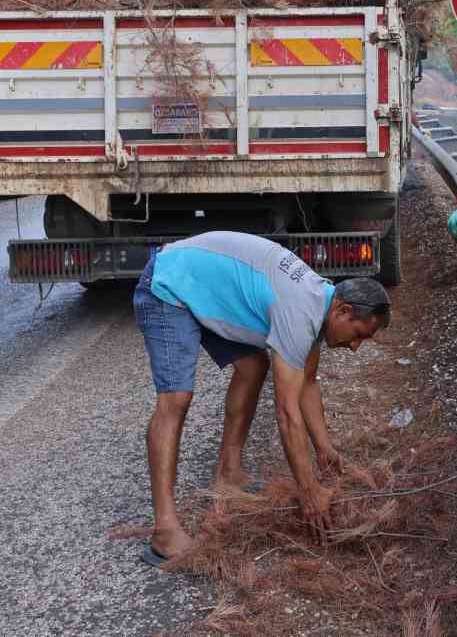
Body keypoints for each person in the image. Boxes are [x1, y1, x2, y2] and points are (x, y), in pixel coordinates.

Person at [133, 231, 392, 566]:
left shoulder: (319, 301)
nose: (356, 347)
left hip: (207, 285)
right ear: (342, 312)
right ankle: (164, 531)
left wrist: (325, 450)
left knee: (253, 366)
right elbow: (287, 413)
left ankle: (229, 472)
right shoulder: (301, 313)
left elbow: (307, 384)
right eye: (359, 335)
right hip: (169, 283)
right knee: (176, 400)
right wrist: (308, 491)